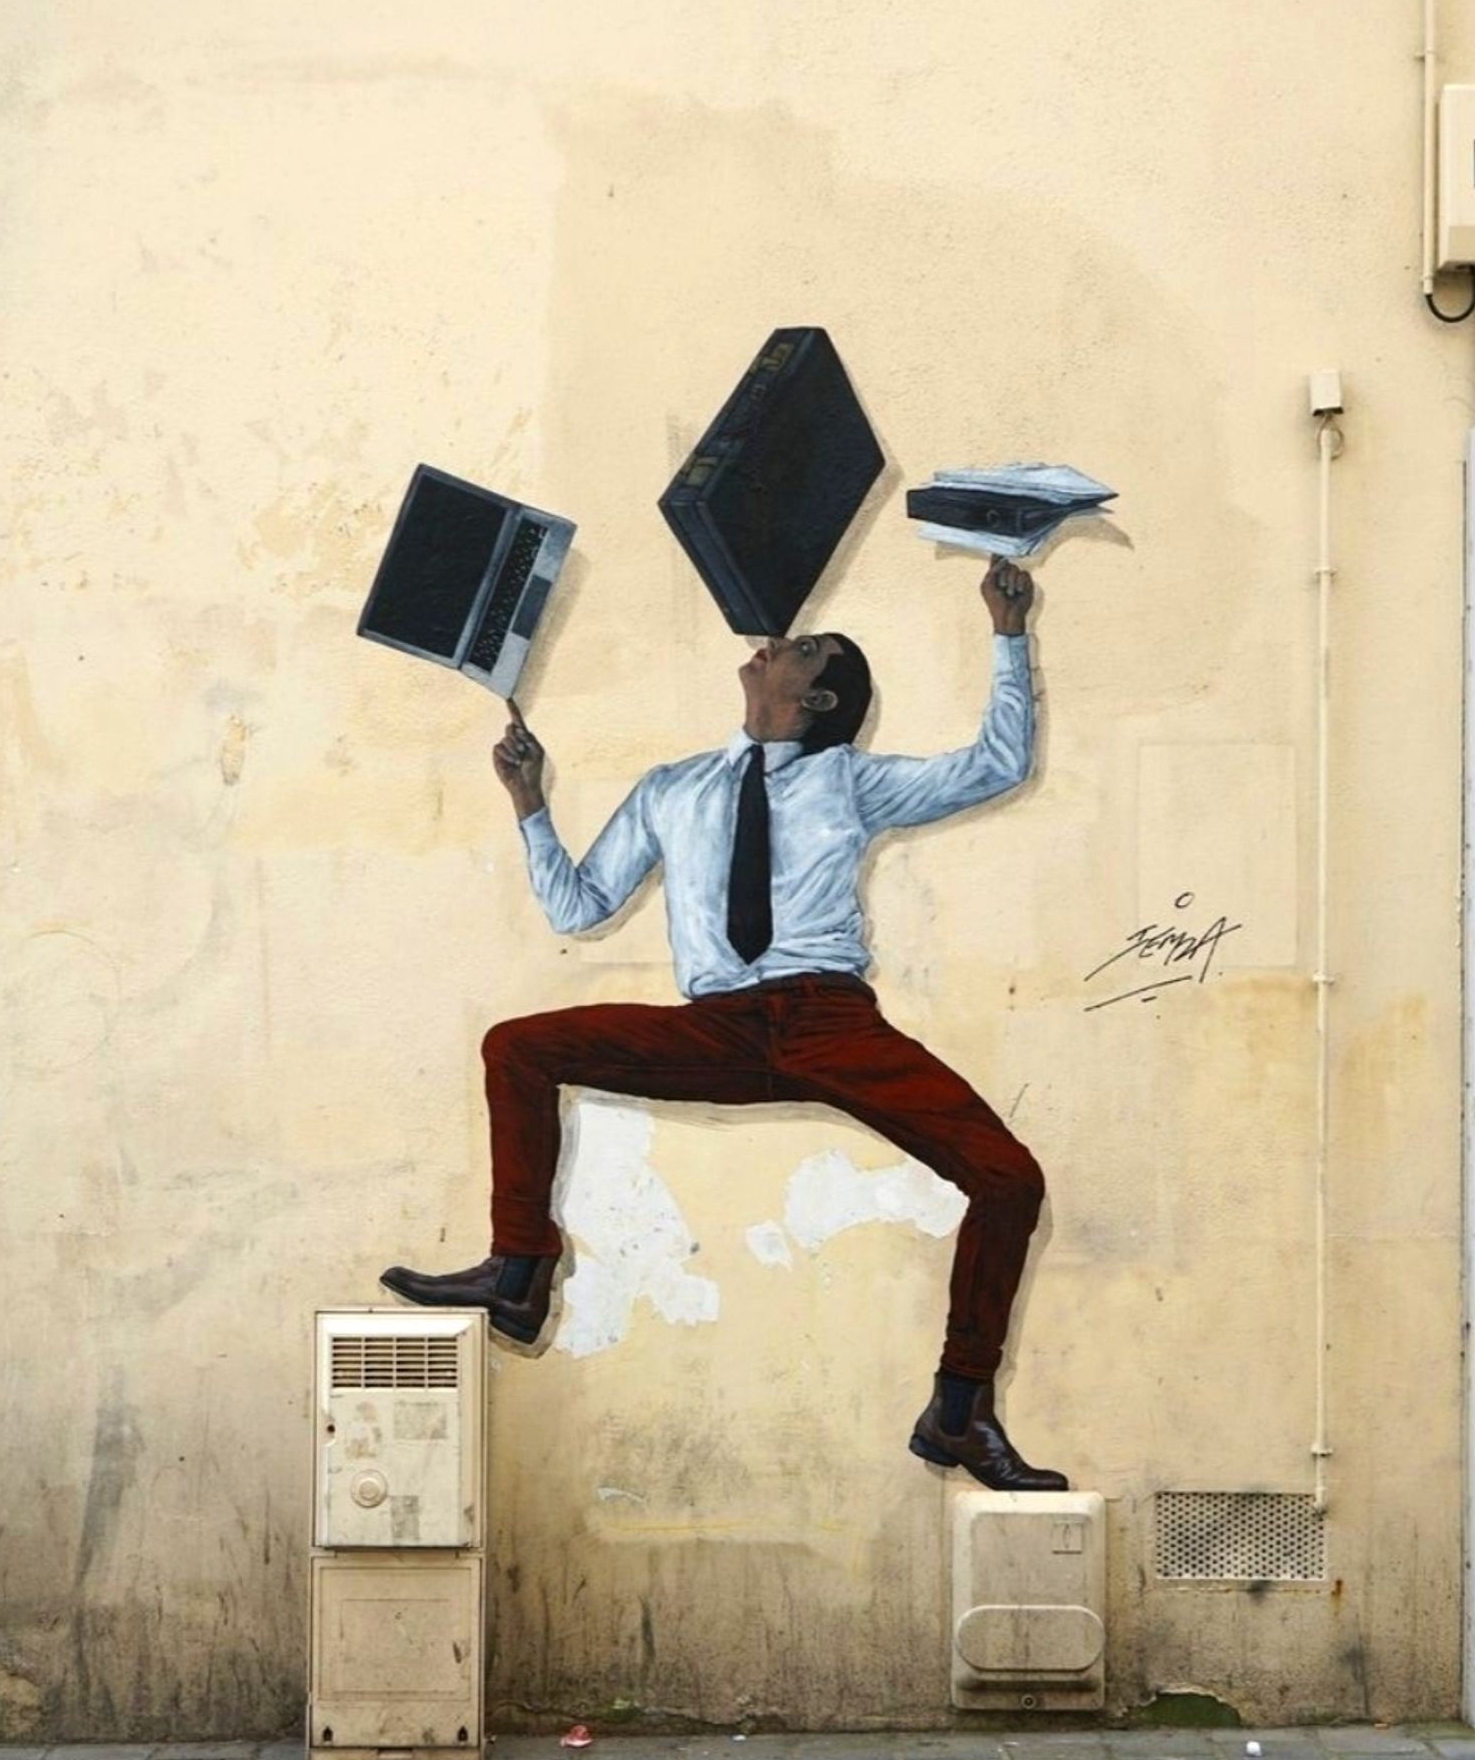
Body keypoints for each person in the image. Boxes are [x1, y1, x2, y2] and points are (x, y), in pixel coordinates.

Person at [383, 558, 1067, 1491]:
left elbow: (996, 763)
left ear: (818, 696)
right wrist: (530, 804)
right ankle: (518, 1274)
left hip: (828, 1020)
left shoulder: (850, 781)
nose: (775, 641)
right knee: (520, 1047)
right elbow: (580, 907)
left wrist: (1006, 628)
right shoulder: (673, 787)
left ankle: (958, 1407)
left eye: (803, 647)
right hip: (718, 1030)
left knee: (1009, 1179)